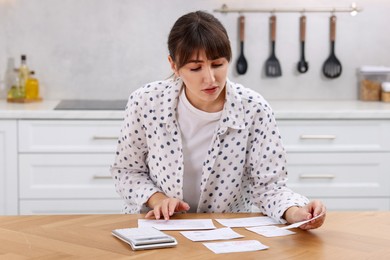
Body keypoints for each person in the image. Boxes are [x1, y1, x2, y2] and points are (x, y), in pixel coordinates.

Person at [110, 10, 326, 230]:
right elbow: (127, 171)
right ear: (174, 66)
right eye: (195, 68)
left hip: (225, 232)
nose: (210, 79)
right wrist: (158, 200)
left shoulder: (254, 109)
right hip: (156, 227)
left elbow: (268, 187)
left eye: (217, 64)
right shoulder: (146, 102)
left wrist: (296, 212)